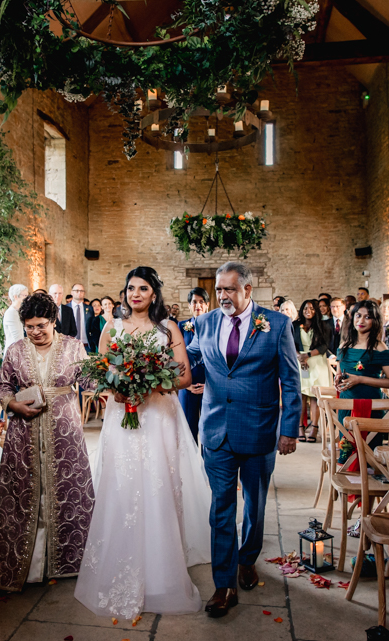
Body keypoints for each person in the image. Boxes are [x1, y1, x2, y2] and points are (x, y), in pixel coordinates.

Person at [74, 267, 211, 619]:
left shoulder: (168, 329)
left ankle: (162, 569)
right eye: (131, 288)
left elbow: (184, 374)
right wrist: (116, 387)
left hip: (159, 416)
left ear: (154, 294)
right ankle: (120, 558)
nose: (136, 294)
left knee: (158, 485)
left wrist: (152, 384)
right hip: (122, 416)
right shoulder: (112, 327)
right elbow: (99, 370)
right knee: (123, 485)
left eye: (144, 289)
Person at [183, 261, 300, 618]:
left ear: (248, 290)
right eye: (219, 289)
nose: (222, 296)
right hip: (216, 430)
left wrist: (289, 429)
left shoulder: (276, 324)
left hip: (259, 429)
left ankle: (248, 559)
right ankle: (224, 584)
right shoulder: (203, 323)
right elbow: (186, 358)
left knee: (255, 503)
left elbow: (291, 380)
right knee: (220, 508)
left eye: (229, 289)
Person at [0, 292, 96, 591]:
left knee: (64, 487)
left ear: (54, 321)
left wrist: (118, 379)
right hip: (24, 432)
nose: (35, 332)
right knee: (25, 489)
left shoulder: (74, 347)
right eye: (29, 326)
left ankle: (67, 560)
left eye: (41, 325)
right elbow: (4, 387)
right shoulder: (15, 350)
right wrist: (13, 406)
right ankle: (28, 563)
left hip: (64, 431)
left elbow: (89, 382)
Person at [334, 301, 389, 424]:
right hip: (346, 403)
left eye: (367, 317)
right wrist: (337, 379)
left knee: (369, 442)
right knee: (346, 442)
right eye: (358, 315)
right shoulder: (344, 346)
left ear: (375, 321)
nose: (361, 321)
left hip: (370, 404)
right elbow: (340, 373)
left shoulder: (379, 347)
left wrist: (360, 379)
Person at [294, 299, 333, 443]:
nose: (307, 311)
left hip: (316, 361)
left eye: (311, 308)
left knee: (315, 396)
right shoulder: (295, 325)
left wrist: (308, 355)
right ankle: (300, 427)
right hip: (300, 362)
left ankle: (315, 428)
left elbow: (325, 345)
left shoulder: (323, 326)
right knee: (301, 395)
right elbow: (290, 342)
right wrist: (299, 355)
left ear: (316, 310)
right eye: (305, 308)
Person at [178, 287, 209, 442]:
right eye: (194, 302)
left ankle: (207, 465)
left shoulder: (214, 327)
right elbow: (177, 357)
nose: (198, 305)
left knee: (208, 430)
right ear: (189, 305)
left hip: (208, 385)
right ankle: (190, 465)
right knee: (188, 430)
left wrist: (209, 385)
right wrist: (184, 384)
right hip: (187, 385)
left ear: (207, 305)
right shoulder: (181, 327)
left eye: (201, 302)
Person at [3, 283, 29, 352]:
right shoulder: (11, 313)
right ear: (15, 297)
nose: (27, 299)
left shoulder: (18, 311)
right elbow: (17, 337)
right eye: (25, 296)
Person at [68, 283, 93, 352]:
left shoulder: (90, 309)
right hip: (69, 346)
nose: (79, 293)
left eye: (82, 291)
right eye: (77, 290)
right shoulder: (66, 308)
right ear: (72, 292)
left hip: (86, 346)